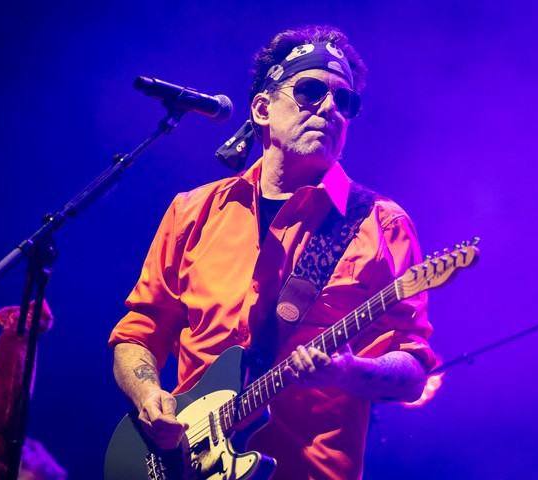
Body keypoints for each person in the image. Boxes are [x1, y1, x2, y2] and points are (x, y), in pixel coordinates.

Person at [109, 25, 436, 480]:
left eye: (346, 102)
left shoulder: (381, 225)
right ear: (263, 108)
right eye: (310, 91)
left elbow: (413, 366)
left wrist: (348, 370)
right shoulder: (194, 211)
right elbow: (139, 332)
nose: (330, 109)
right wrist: (148, 397)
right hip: (186, 464)